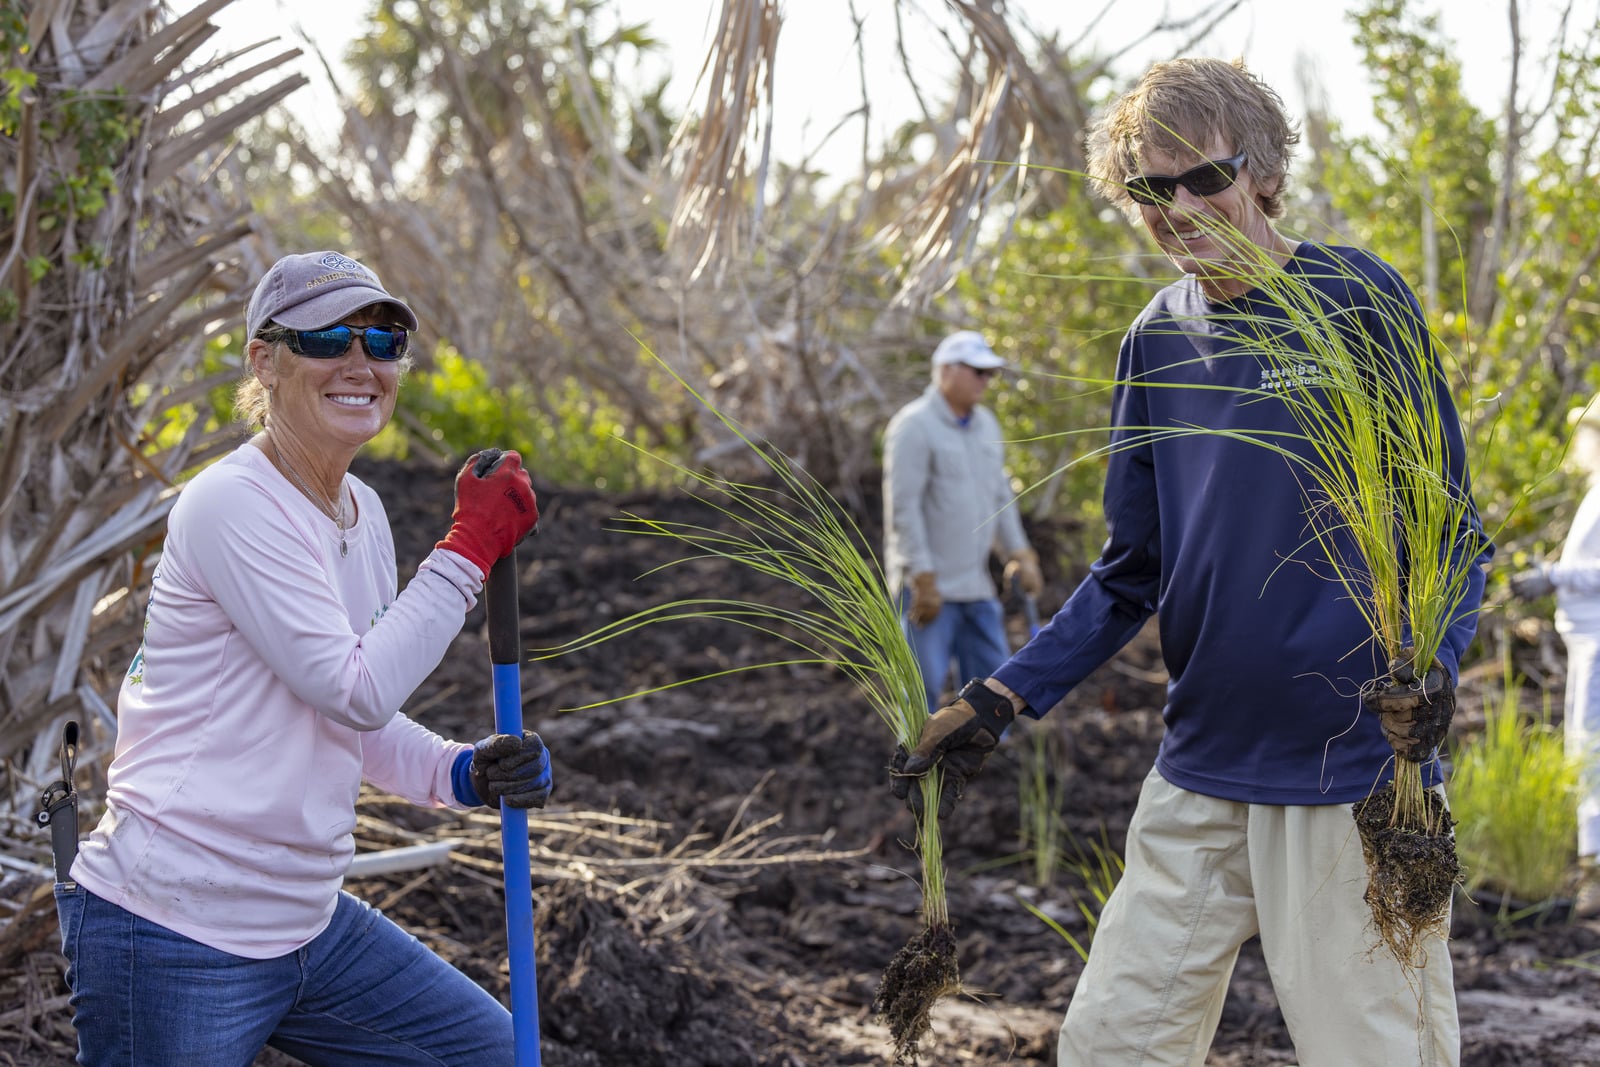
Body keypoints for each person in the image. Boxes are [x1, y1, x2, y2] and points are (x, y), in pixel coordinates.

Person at [888, 59, 1492, 1065]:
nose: (1176, 209)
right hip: (1201, 763)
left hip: (1347, 766)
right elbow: (1132, 569)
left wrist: (1435, 667)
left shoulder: (1355, 300)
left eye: (1201, 178)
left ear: (1261, 174)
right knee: (1109, 1043)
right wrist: (1000, 694)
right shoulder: (1154, 342)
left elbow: (1449, 525)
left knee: (1375, 1051)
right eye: (1147, 189)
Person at [56, 250, 549, 1066]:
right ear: (265, 359)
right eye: (327, 337)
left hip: (307, 925)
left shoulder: (365, 510)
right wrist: (468, 550)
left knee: (495, 1055)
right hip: (172, 928)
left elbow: (352, 713)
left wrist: (465, 773)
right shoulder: (231, 504)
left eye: (383, 340)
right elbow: (352, 688)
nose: (359, 362)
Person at [882, 329, 1043, 711]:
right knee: (922, 692)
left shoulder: (986, 425)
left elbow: (999, 496)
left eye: (990, 374)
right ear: (946, 370)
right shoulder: (913, 426)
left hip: (974, 584)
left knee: (993, 688)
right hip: (929, 588)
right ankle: (916, 767)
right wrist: (922, 575)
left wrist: (1019, 552)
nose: (985, 381)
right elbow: (903, 508)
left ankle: (981, 765)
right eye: (977, 372)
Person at [1510, 395, 1600, 916]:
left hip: (1596, 640)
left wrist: (1551, 577)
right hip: (1584, 638)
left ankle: (1592, 875)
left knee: (1588, 754)